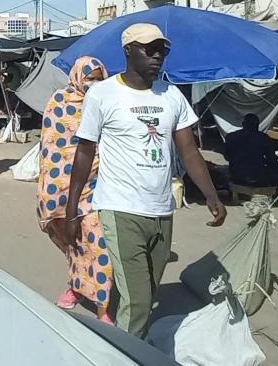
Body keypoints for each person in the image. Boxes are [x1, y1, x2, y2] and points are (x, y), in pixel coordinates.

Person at [64, 23, 226, 337]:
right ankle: (123, 354)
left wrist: (211, 194)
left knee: (147, 292)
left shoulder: (171, 95)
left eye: (162, 50)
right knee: (138, 302)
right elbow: (84, 153)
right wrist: (71, 210)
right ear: (128, 51)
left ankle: (130, 340)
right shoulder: (102, 94)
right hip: (120, 209)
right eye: (149, 49)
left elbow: (189, 151)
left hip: (162, 210)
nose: (157, 56)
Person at [36, 56, 114, 324]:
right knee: (74, 243)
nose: (94, 84)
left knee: (98, 244)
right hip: (61, 186)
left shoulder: (107, 102)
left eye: (99, 79)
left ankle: (103, 307)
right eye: (90, 78)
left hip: (97, 184)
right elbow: (50, 146)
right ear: (78, 77)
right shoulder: (59, 101)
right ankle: (76, 286)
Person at [224, 113, 278, 189]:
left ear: (243, 124)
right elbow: (272, 161)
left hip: (237, 177)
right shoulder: (263, 138)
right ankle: (277, 190)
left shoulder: (230, 137)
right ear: (257, 125)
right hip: (258, 178)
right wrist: (261, 161)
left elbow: (227, 157)